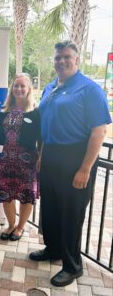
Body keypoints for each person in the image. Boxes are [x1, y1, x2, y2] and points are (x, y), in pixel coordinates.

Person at [29, 41, 112, 287]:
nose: (61, 61)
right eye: (58, 57)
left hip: (76, 157)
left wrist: (85, 168)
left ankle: (72, 265)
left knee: (71, 213)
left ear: (77, 60)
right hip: (51, 155)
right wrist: (43, 155)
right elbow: (46, 126)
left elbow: (99, 132)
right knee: (52, 209)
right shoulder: (50, 87)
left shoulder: (89, 89)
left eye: (67, 57)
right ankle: (53, 249)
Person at [0, 74, 40, 241]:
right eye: (16, 86)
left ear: (28, 90)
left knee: (26, 194)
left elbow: (42, 137)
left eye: (22, 86)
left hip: (27, 160)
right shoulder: (5, 110)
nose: (18, 89)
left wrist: (41, 157)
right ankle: (11, 224)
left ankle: (20, 227)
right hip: (6, 159)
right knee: (6, 193)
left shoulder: (35, 112)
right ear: (12, 89)